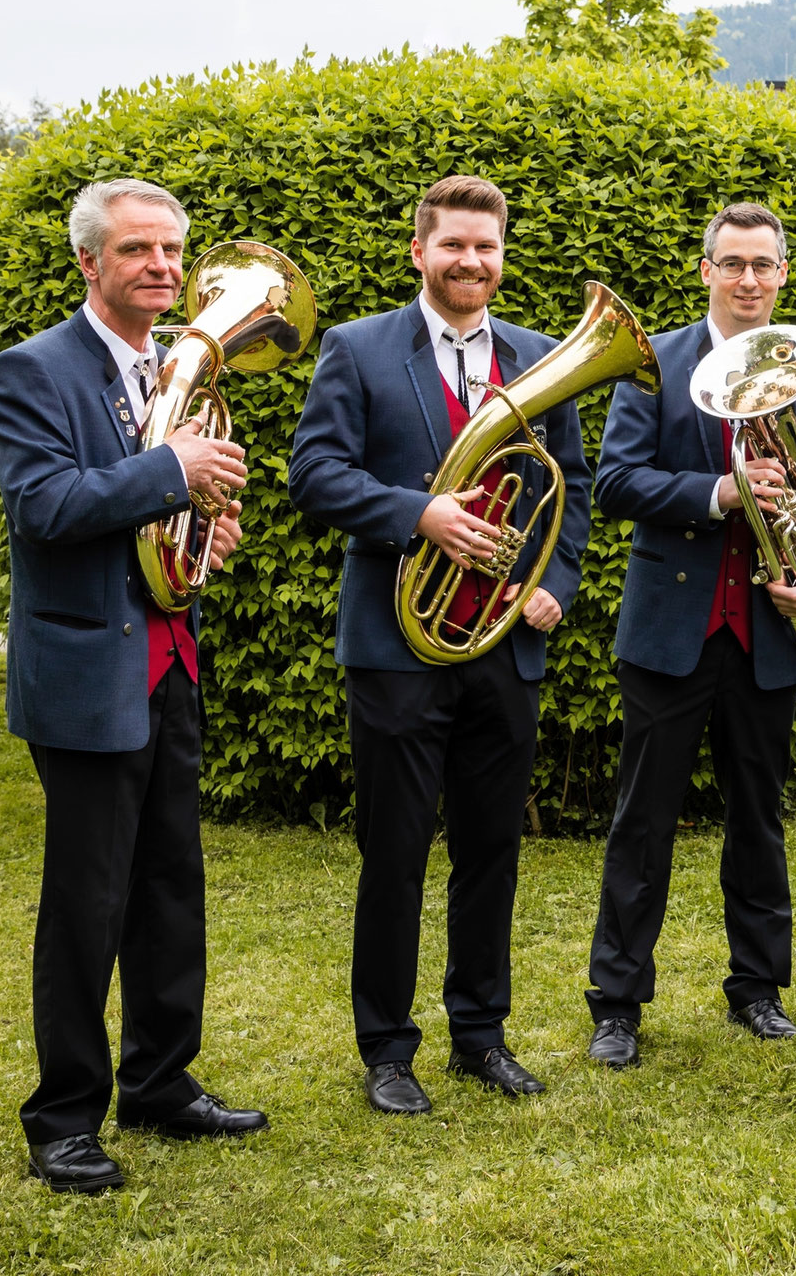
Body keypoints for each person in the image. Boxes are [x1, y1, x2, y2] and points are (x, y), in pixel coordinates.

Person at [0, 178, 266, 1195]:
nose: (161, 266)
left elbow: (162, 505)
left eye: (171, 250)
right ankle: (62, 1119)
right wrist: (173, 473)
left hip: (167, 661)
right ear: (88, 264)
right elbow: (45, 508)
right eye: (138, 249)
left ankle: (161, 1081)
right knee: (85, 904)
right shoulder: (32, 370)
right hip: (86, 674)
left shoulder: (169, 365)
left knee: (167, 887)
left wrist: (203, 529)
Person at [289, 174, 589, 1115]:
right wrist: (423, 513)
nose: (472, 262)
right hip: (399, 644)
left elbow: (571, 486)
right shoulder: (358, 348)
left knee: (492, 850)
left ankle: (481, 1034)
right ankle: (387, 1049)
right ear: (419, 251)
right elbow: (316, 476)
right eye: (454, 245)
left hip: (503, 645)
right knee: (395, 853)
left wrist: (555, 583)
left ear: (503, 255)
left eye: (487, 247)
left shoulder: (545, 359)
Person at [582, 203, 796, 1068]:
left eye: (764, 265)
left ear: (783, 275)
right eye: (733, 263)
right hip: (673, 624)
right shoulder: (655, 364)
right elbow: (616, 482)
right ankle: (618, 1004)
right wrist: (721, 490)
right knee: (643, 822)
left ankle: (758, 989)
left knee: (759, 818)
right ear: (705, 269)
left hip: (766, 629)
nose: (749, 278)